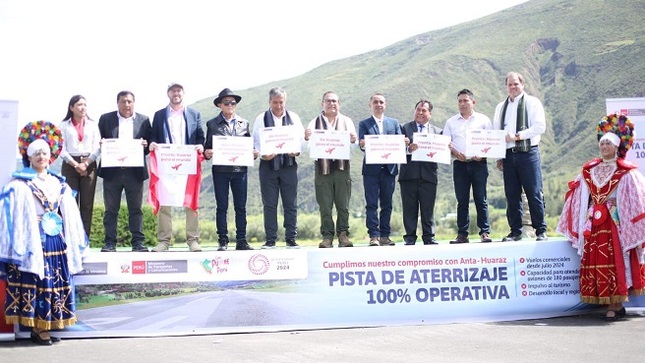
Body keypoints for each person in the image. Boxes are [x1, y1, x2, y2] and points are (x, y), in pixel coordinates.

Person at [0, 122, 87, 345]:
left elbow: (69, 214)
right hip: (34, 240)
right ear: (29, 157)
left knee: (53, 282)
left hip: (56, 241)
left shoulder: (59, 183)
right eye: (37, 153)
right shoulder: (20, 183)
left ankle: (49, 323)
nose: (41, 156)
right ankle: (39, 329)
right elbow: (12, 214)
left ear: (51, 157)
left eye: (44, 153)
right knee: (39, 281)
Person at [556, 113, 645, 321]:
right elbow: (578, 195)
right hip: (594, 224)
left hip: (615, 224)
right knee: (596, 260)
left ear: (617, 147)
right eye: (602, 143)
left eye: (609, 143)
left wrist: (621, 213)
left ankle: (616, 304)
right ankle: (607, 301)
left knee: (615, 261)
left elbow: (636, 198)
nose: (604, 147)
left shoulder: (626, 172)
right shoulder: (590, 170)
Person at [493, 72, 548, 242]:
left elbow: (540, 127)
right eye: (510, 84)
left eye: (516, 84)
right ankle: (515, 231)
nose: (513, 87)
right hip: (509, 155)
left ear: (522, 84)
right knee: (512, 194)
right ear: (506, 86)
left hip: (528, 153)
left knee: (534, 192)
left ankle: (540, 230)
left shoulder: (532, 102)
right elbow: (497, 133)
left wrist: (517, 136)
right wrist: (498, 156)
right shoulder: (500, 107)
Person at [149, 83, 204, 252]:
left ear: (183, 93)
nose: (176, 93)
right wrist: (152, 144)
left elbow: (201, 136)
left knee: (191, 201)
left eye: (179, 90)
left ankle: (193, 240)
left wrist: (200, 146)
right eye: (173, 90)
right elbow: (154, 136)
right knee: (165, 202)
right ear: (168, 93)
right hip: (166, 163)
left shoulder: (195, 114)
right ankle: (164, 241)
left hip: (187, 163)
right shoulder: (159, 115)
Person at [97, 90, 152, 252]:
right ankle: (109, 243)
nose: (126, 105)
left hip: (134, 172)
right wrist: (101, 143)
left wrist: (145, 145)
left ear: (134, 103)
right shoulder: (106, 119)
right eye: (123, 101)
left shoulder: (144, 120)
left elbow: (149, 146)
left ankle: (138, 243)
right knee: (110, 210)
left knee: (136, 209)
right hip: (112, 171)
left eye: (129, 101)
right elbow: (98, 140)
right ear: (117, 103)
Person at [252, 87, 304, 249]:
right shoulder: (261, 118)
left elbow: (301, 140)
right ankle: (270, 239)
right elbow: (255, 142)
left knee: (290, 203)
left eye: (281, 102)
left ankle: (291, 238)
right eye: (275, 102)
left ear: (285, 101)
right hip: (268, 166)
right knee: (269, 204)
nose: (278, 106)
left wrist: (297, 150)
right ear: (269, 102)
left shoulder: (294, 118)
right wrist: (262, 154)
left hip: (289, 165)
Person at [305, 91, 357, 248]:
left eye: (334, 101)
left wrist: (353, 140)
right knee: (325, 204)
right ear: (322, 104)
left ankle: (343, 234)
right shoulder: (314, 123)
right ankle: (327, 236)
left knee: (343, 204)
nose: (331, 103)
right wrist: (307, 137)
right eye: (328, 101)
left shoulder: (347, 121)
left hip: (342, 167)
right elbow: (307, 147)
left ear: (339, 104)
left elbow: (353, 147)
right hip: (322, 168)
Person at [204, 88, 254, 251]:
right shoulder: (212, 124)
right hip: (220, 171)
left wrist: (253, 153)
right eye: (226, 102)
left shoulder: (244, 123)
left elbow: (249, 147)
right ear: (220, 105)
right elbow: (207, 148)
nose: (230, 105)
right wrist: (208, 153)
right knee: (222, 206)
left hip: (240, 171)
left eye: (233, 102)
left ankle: (241, 240)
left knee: (241, 206)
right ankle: (223, 241)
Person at [444, 89, 493, 244]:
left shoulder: (483, 120)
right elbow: (446, 144)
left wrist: (484, 155)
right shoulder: (451, 122)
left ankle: (484, 232)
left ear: (473, 102)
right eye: (460, 101)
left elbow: (492, 142)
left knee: (481, 199)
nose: (463, 104)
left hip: (479, 164)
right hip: (460, 165)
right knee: (462, 201)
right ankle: (462, 234)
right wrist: (454, 152)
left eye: (466, 100)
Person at [358, 93, 403, 246]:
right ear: (370, 105)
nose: (378, 105)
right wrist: (363, 144)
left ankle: (385, 235)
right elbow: (361, 145)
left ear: (385, 105)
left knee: (387, 204)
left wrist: (404, 141)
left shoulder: (394, 123)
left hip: (389, 170)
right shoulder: (364, 124)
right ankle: (374, 236)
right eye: (375, 102)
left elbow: (399, 143)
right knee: (371, 204)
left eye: (381, 102)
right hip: (371, 170)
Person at [399, 99, 441, 246]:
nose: (420, 113)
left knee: (428, 209)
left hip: (429, 176)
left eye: (424, 110)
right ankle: (410, 237)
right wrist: (408, 148)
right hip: (408, 175)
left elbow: (442, 152)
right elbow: (397, 150)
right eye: (418, 109)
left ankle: (429, 237)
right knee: (409, 209)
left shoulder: (437, 132)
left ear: (430, 113)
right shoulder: (404, 128)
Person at [59, 95, 101, 238]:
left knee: (87, 204)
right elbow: (61, 149)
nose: (83, 108)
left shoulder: (92, 124)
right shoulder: (64, 125)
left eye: (85, 105)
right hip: (70, 164)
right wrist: (76, 164)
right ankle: (70, 238)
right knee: (70, 203)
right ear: (71, 107)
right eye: (79, 105)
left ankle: (85, 239)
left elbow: (97, 146)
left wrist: (86, 163)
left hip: (89, 163)